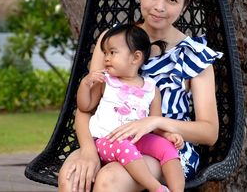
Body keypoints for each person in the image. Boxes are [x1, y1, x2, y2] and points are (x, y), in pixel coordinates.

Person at [58, 0, 223, 192]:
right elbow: (86, 109)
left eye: (172, 0)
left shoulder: (195, 56)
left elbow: (209, 132)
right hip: (107, 140)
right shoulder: (112, 42)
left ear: (185, 5)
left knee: (109, 180)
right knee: (71, 176)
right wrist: (88, 151)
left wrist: (154, 122)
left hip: (165, 150)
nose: (159, 7)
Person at [77, 23, 185, 192]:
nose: (106, 58)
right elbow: (85, 105)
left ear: (135, 58)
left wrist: (168, 135)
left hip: (138, 139)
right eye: (105, 53)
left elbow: (155, 126)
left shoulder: (151, 89)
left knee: (167, 148)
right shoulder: (106, 81)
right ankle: (156, 188)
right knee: (124, 147)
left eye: (112, 53)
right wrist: (85, 84)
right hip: (108, 140)